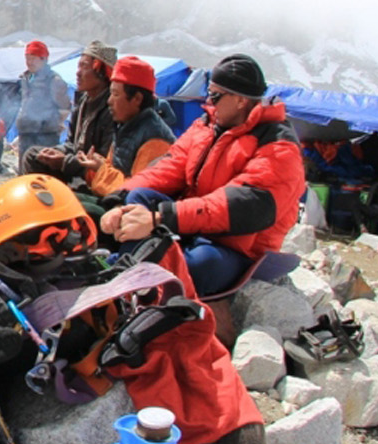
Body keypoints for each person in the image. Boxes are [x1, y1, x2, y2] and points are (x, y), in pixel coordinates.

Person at [99, 53, 305, 298]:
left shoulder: (278, 146)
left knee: (203, 264)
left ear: (240, 100)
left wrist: (161, 218)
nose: (209, 101)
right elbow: (170, 166)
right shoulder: (207, 126)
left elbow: (241, 206)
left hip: (235, 246)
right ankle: (136, 268)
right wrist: (120, 197)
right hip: (195, 226)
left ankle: (137, 273)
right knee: (139, 196)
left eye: (215, 95)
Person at [71, 56, 176, 218]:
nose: (109, 101)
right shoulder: (125, 125)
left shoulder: (155, 140)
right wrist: (95, 167)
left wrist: (100, 170)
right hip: (112, 201)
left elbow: (136, 192)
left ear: (137, 99)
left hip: (128, 214)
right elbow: (112, 169)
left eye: (115, 94)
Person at [22, 40, 117, 179]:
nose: (78, 73)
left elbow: (101, 162)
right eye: (78, 67)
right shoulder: (83, 102)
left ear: (101, 72)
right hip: (72, 162)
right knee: (33, 155)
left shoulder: (112, 108)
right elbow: (72, 143)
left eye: (84, 67)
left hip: (90, 175)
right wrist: (56, 151)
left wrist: (65, 162)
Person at [14, 40, 71, 159]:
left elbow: (65, 108)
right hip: (26, 133)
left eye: (33, 58)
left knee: (42, 172)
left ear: (43, 59)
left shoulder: (54, 81)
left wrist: (54, 122)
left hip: (46, 136)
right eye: (27, 58)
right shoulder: (26, 78)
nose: (29, 62)